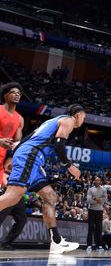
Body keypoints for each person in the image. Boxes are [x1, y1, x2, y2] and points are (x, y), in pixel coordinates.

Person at [0, 104, 86, 254]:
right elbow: (59, 146)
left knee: (51, 196)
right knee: (12, 197)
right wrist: (70, 166)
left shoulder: (52, 121)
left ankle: (56, 241)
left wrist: (17, 145)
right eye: (83, 118)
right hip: (31, 156)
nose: (82, 121)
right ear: (78, 115)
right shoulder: (69, 120)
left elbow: (29, 137)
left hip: (34, 159)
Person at [0, 83, 26, 250]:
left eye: (19, 93)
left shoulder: (20, 119)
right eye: (13, 92)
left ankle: (5, 243)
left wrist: (15, 148)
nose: (17, 95)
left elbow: (17, 145)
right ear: (5, 95)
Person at [86, 176, 107, 251]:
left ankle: (99, 245)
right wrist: (98, 201)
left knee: (99, 228)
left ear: (100, 181)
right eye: (95, 180)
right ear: (94, 181)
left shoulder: (104, 189)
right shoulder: (90, 189)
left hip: (99, 210)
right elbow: (88, 200)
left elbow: (105, 199)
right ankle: (89, 245)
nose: (97, 181)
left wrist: (95, 198)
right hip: (91, 209)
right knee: (90, 227)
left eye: (98, 180)